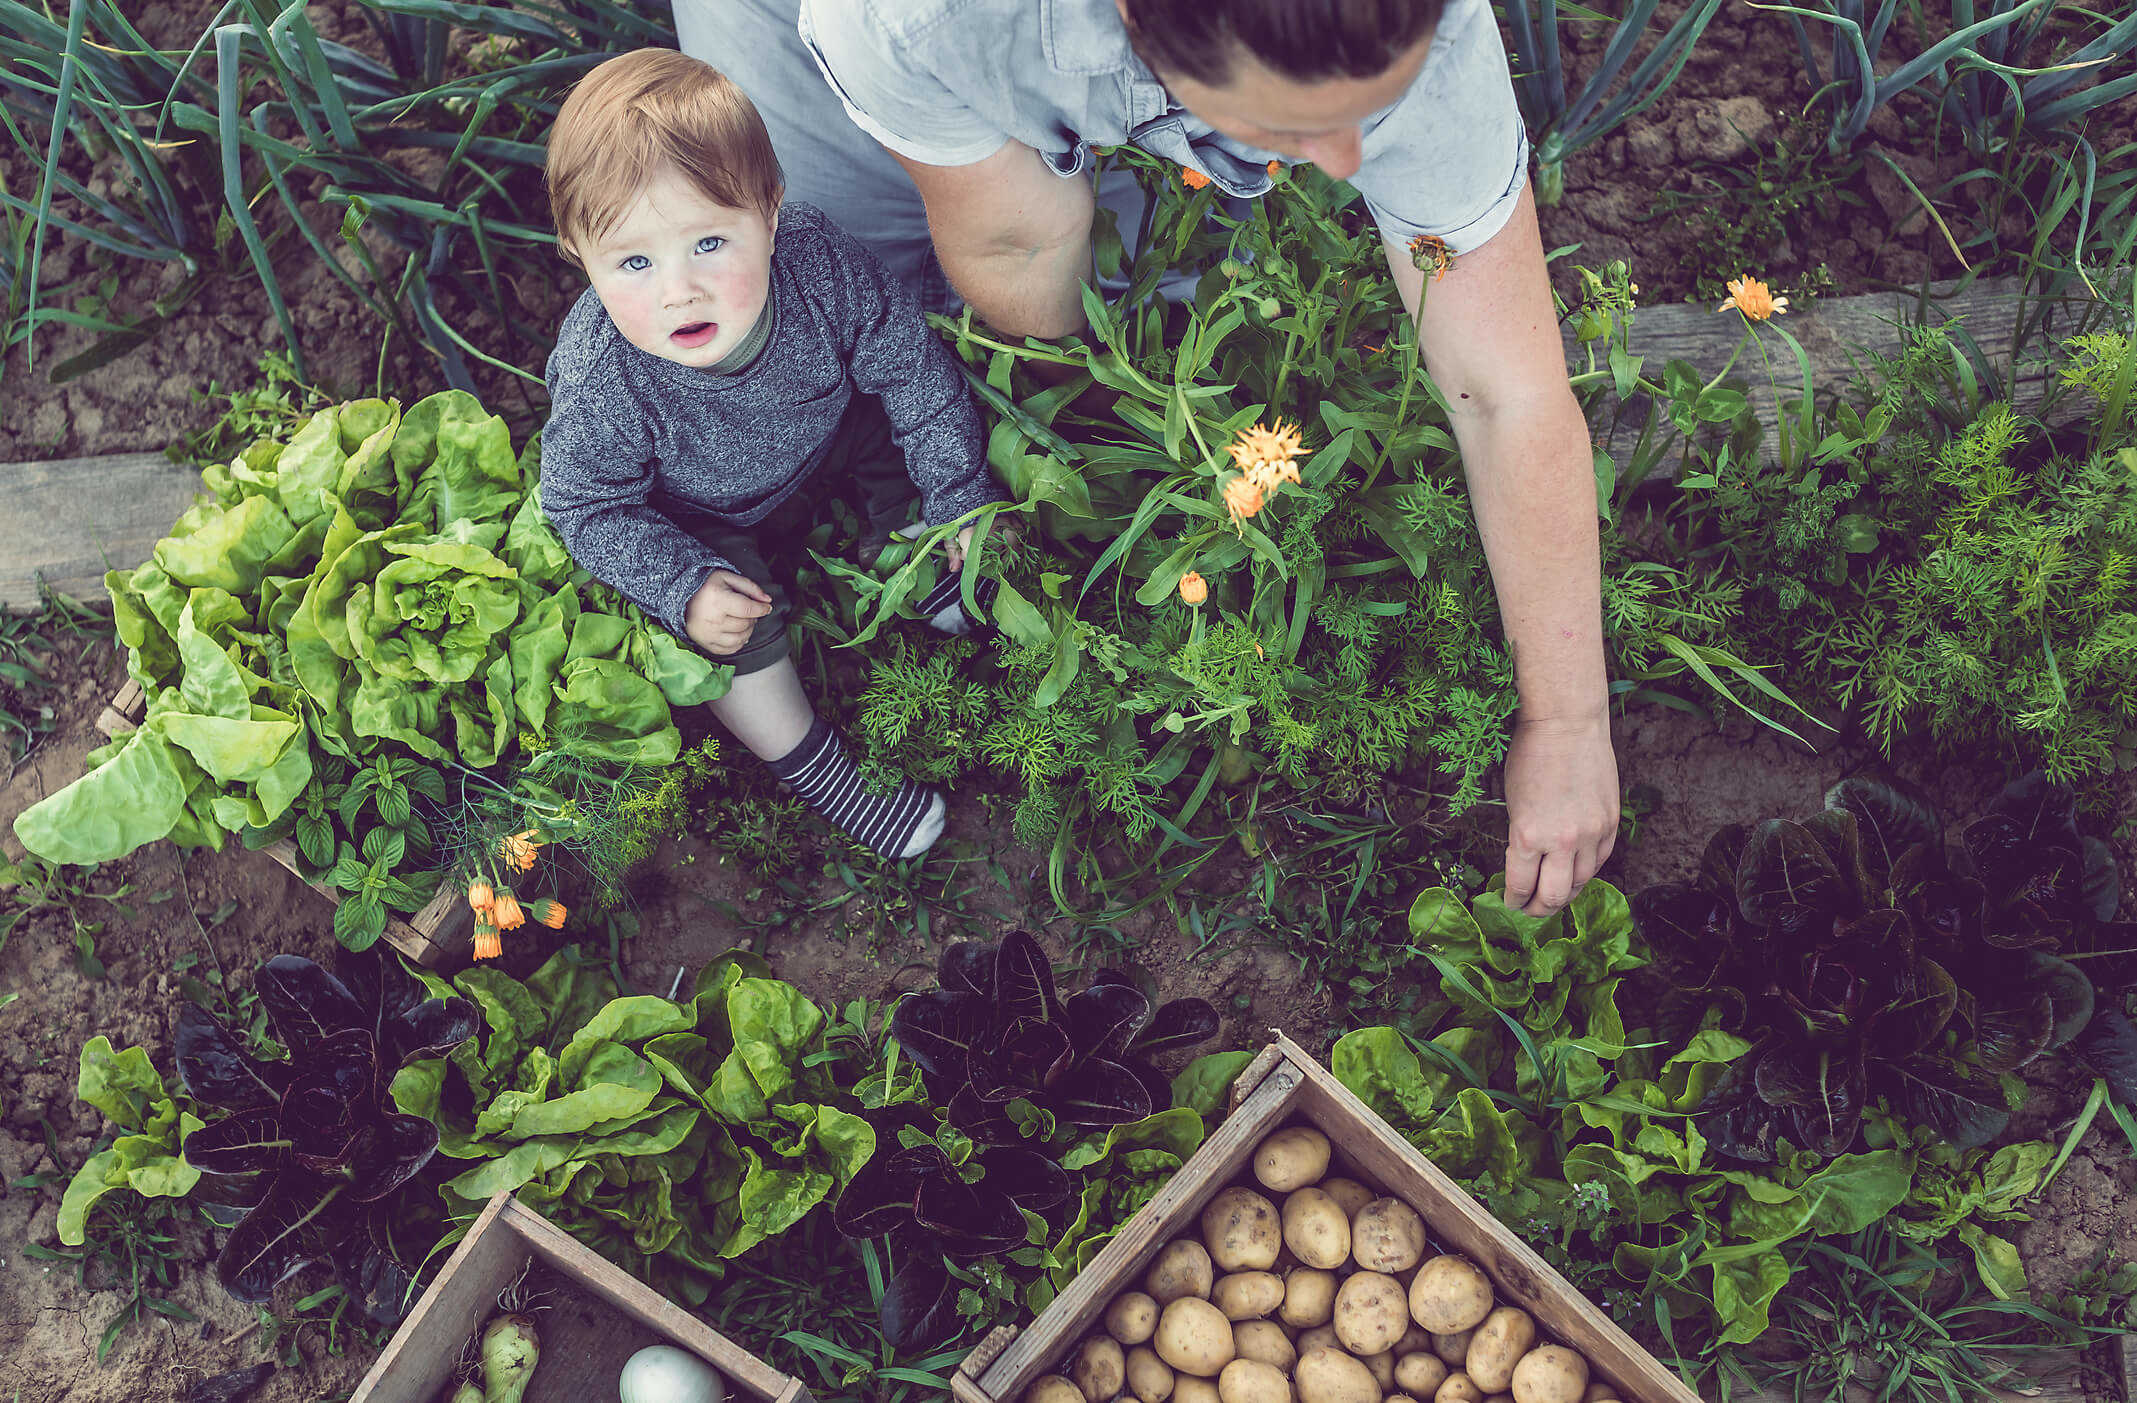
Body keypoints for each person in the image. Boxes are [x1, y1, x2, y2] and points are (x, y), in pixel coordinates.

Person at [674, 0, 1621, 916]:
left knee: (1149, 280)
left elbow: (1509, 394)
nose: (1343, 162)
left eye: (1365, 101)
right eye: (1296, 118)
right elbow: (1019, 243)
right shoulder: (918, 15)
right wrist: (1084, 445)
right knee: (838, 297)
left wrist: (1568, 721)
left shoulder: (1426, 20)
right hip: (852, 33)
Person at [537, 50, 1007, 860]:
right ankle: (821, 772)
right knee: (726, 632)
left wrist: (959, 493)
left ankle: (925, 549)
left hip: (822, 430)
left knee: (894, 422)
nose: (678, 289)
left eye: (710, 242)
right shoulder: (603, 378)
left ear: (772, 213)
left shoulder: (817, 263)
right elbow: (581, 505)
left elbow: (907, 362)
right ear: (580, 254)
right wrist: (678, 583)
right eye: (633, 261)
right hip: (698, 512)